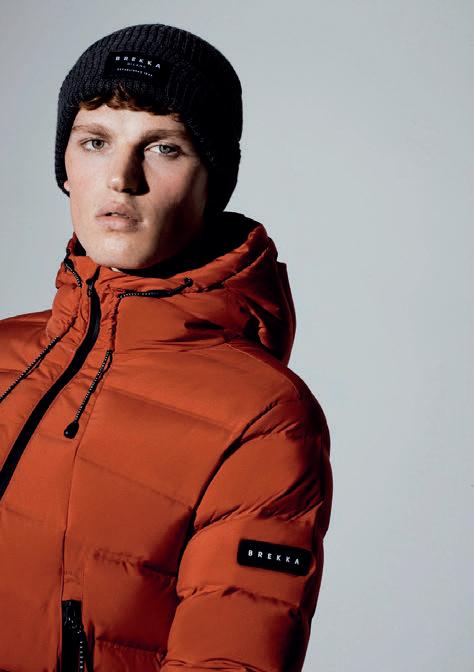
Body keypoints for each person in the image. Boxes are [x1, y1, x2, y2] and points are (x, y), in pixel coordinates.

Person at [0, 22, 333, 672]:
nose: (120, 178)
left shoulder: (264, 418)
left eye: (164, 148)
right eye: (95, 141)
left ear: (214, 180)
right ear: (65, 166)